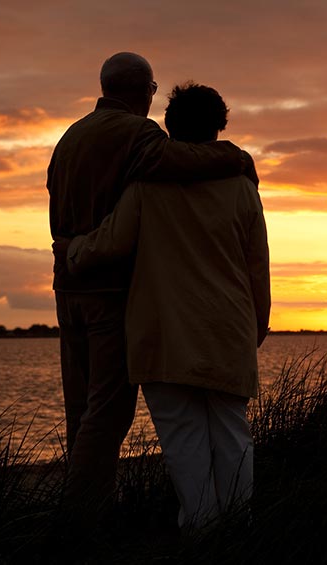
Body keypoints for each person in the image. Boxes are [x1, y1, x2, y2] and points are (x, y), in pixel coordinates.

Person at [47, 52, 257, 525]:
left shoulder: (68, 138)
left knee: (80, 410)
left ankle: (92, 507)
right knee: (108, 413)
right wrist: (239, 158)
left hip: (68, 291)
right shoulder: (138, 136)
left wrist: (69, 251)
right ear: (145, 91)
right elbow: (181, 158)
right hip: (108, 295)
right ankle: (83, 517)